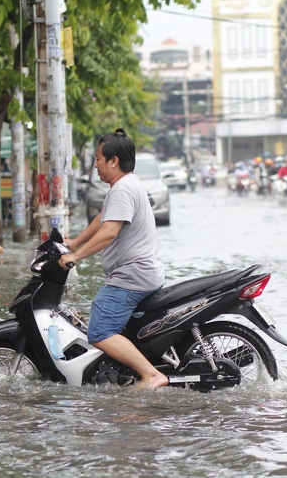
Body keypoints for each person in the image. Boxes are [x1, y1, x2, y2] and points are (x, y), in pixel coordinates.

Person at [58, 128, 167, 389]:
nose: (95, 165)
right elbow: (101, 219)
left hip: (131, 275)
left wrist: (76, 256)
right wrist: (74, 241)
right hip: (142, 272)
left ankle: (151, 375)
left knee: (99, 332)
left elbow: (109, 232)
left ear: (113, 160)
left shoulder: (123, 189)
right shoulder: (127, 184)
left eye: (97, 158)